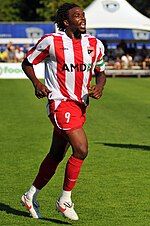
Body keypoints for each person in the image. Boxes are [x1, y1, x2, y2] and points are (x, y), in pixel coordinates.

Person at [21, 3, 106, 221]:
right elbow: (28, 62)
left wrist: (99, 87)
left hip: (80, 105)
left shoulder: (95, 44)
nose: (83, 19)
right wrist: (37, 84)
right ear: (66, 22)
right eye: (77, 16)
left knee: (56, 154)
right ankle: (65, 200)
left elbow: (101, 71)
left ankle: (30, 196)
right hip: (59, 103)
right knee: (81, 148)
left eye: (83, 15)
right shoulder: (52, 41)